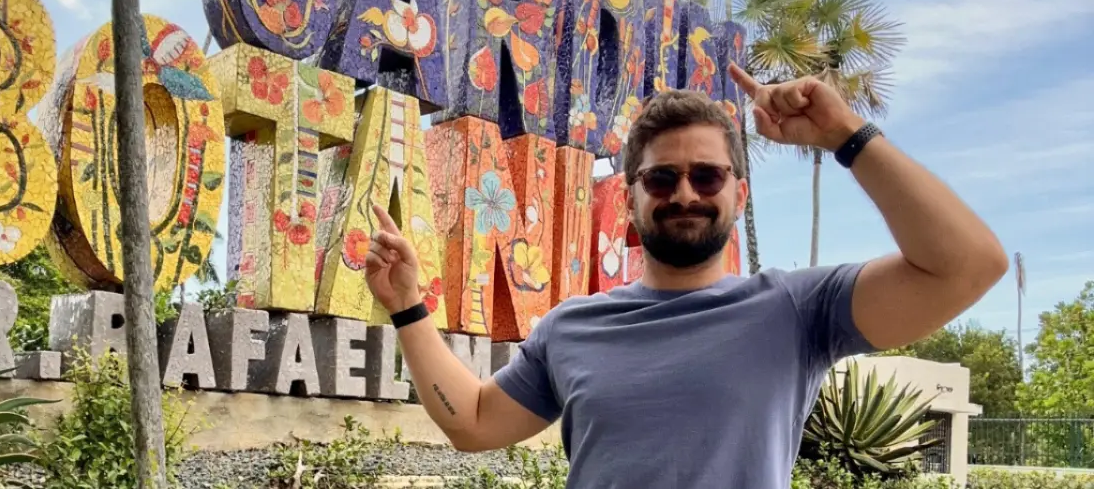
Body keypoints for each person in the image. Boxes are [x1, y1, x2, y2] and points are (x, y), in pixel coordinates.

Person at [364, 64, 1007, 488]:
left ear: (739, 195)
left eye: (707, 176)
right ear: (629, 199)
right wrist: (408, 307)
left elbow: (969, 265)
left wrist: (845, 133)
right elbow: (474, 422)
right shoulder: (572, 328)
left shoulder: (796, 310)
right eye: (661, 178)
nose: (685, 193)